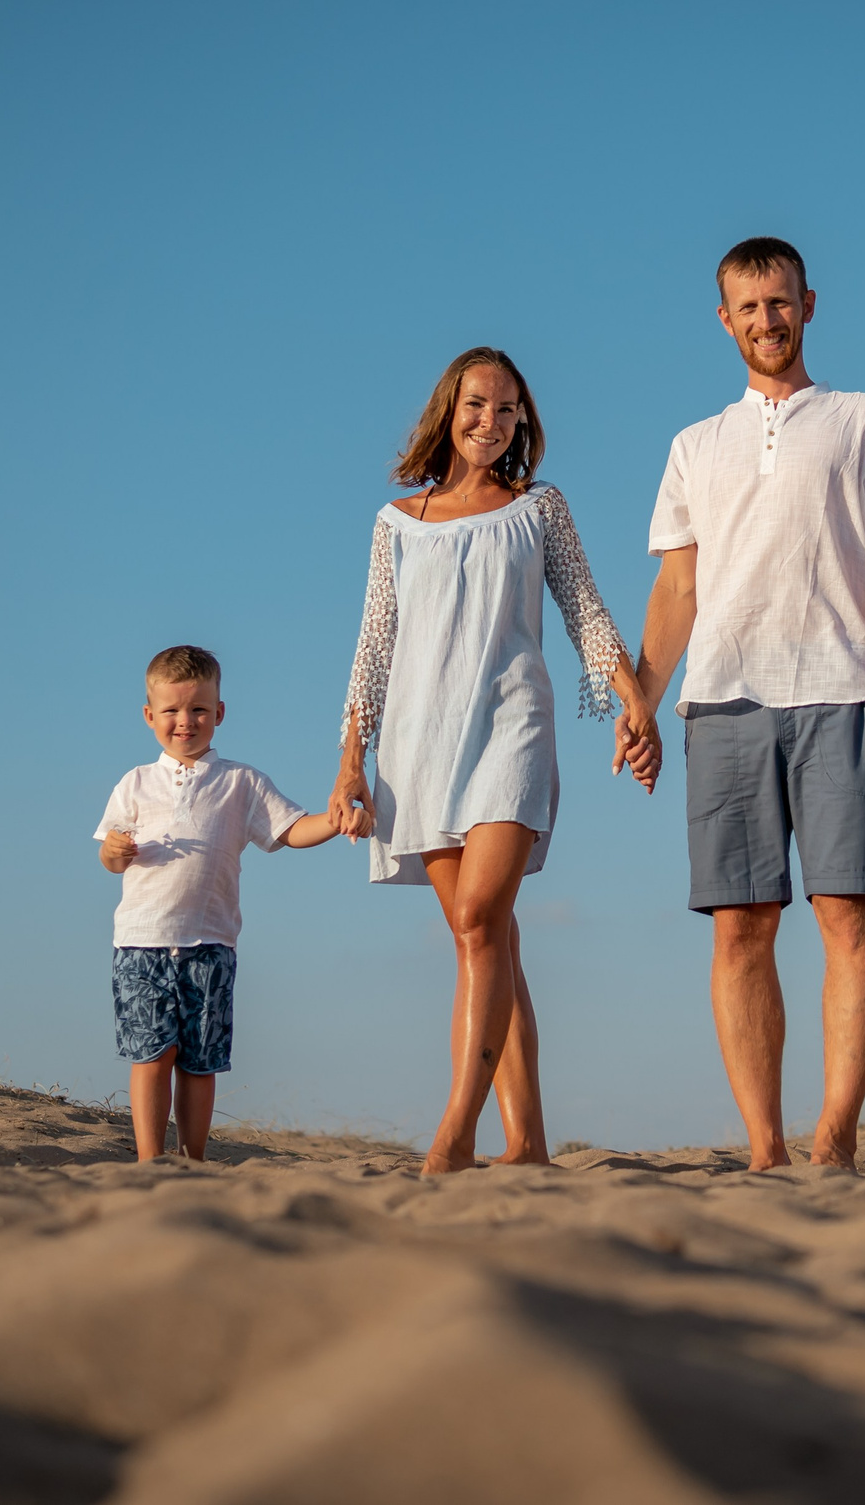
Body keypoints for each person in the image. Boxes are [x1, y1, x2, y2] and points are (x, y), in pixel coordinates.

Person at [632, 237, 865, 1172]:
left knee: (848, 914)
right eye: (747, 308)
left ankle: (835, 1133)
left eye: (780, 303)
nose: (766, 321)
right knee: (741, 926)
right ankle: (764, 1144)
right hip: (722, 701)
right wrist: (642, 698)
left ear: (809, 303)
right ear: (723, 320)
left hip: (843, 692)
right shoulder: (694, 445)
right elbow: (678, 589)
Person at [330, 347, 660, 1176]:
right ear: (449, 409)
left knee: (479, 920)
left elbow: (584, 607)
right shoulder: (395, 522)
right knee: (489, 941)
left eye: (508, 409)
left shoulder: (538, 509)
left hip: (512, 727)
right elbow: (375, 646)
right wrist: (351, 761)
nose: (491, 421)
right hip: (419, 743)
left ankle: (455, 1134)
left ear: (523, 422)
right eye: (478, 404)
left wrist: (632, 701)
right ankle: (529, 1144)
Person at [94, 644, 342, 1162]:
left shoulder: (241, 782)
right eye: (171, 711)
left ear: (219, 714)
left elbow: (290, 829)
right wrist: (114, 850)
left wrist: (335, 820)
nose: (185, 721)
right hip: (141, 942)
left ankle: (193, 1158)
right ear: (149, 716)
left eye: (199, 709)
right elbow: (111, 857)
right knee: (152, 1054)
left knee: (199, 1061)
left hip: (211, 942)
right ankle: (148, 1161)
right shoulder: (134, 783)